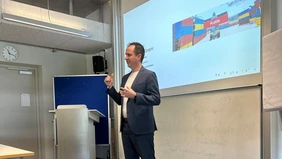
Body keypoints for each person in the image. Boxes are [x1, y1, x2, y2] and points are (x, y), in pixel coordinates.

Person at [104, 42, 161, 159]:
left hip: (142, 128)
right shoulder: (125, 78)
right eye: (125, 55)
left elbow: (156, 99)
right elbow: (121, 101)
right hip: (125, 128)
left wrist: (135, 96)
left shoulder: (149, 75)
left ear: (138, 56)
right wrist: (110, 87)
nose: (126, 58)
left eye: (129, 55)